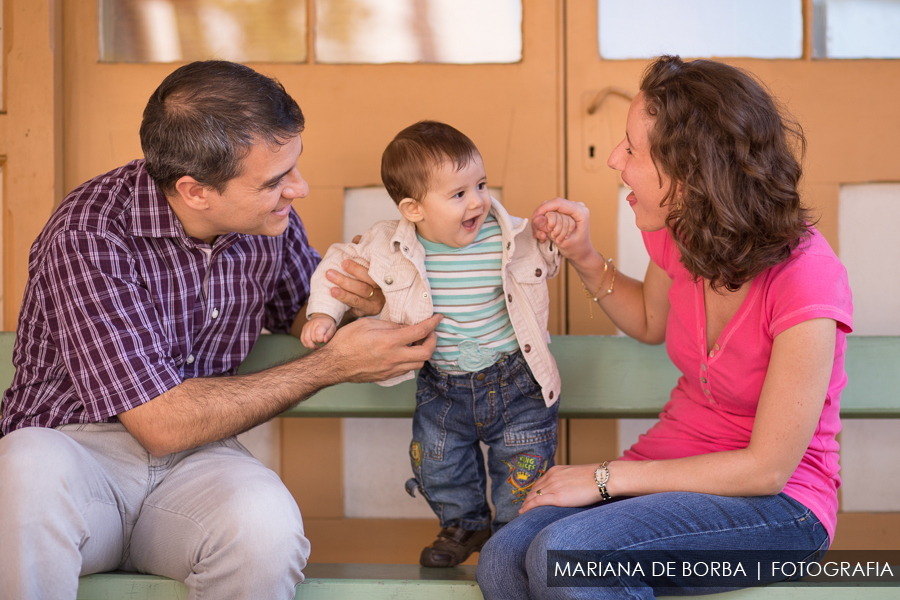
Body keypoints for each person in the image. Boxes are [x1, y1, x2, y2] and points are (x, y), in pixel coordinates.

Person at [0, 60, 441, 600]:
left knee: (264, 526)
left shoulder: (265, 218)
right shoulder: (89, 234)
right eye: (275, 180)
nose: (298, 189)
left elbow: (303, 314)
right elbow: (160, 421)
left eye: (294, 167)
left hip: (197, 465)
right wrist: (331, 366)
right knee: (25, 469)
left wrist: (352, 308)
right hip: (79, 461)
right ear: (195, 191)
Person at [476, 55, 853, 598]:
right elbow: (652, 321)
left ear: (693, 171)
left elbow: (767, 469)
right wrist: (583, 255)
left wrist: (603, 477)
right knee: (503, 559)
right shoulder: (684, 231)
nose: (613, 159)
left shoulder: (807, 279)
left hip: (780, 507)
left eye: (631, 149)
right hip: (670, 466)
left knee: (565, 556)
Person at [301, 121, 573, 567]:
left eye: (481, 185)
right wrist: (322, 314)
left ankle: (511, 535)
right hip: (442, 384)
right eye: (459, 194)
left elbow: (550, 256)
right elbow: (338, 262)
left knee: (522, 468)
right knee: (437, 461)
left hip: (516, 382)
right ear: (413, 209)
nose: (478, 201)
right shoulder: (390, 245)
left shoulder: (507, 236)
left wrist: (555, 233)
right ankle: (465, 523)